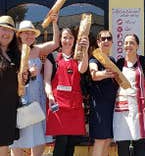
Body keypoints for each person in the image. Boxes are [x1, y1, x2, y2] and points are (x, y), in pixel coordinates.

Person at [11, 13, 59, 156]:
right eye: (26, 33)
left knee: (38, 138)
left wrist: (55, 23)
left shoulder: (37, 49)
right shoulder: (13, 52)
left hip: (37, 98)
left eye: (32, 34)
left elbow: (55, 43)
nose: (29, 36)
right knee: (17, 138)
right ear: (19, 35)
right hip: (20, 100)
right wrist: (26, 72)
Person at [44, 27, 89, 156]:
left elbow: (82, 69)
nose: (67, 40)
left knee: (71, 143)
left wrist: (85, 50)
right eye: (65, 37)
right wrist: (50, 95)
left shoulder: (77, 57)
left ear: (74, 40)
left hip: (74, 107)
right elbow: (47, 80)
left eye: (70, 37)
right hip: (58, 106)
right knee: (61, 142)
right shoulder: (52, 57)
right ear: (60, 39)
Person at [113, 34, 145, 156]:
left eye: (132, 43)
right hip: (122, 112)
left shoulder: (144, 61)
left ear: (137, 46)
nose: (128, 45)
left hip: (141, 110)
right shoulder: (119, 63)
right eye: (126, 43)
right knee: (122, 149)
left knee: (141, 149)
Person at [88, 30, 118, 156]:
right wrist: (106, 74)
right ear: (98, 42)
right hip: (99, 107)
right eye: (103, 39)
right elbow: (94, 74)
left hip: (112, 106)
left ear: (112, 42)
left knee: (108, 140)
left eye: (109, 38)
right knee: (100, 140)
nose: (106, 41)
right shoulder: (95, 58)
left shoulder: (112, 59)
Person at [0, 15, 22, 156]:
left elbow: (18, 81)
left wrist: (25, 76)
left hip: (9, 107)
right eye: (2, 29)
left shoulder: (15, 54)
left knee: (4, 144)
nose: (6, 33)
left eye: (10, 30)